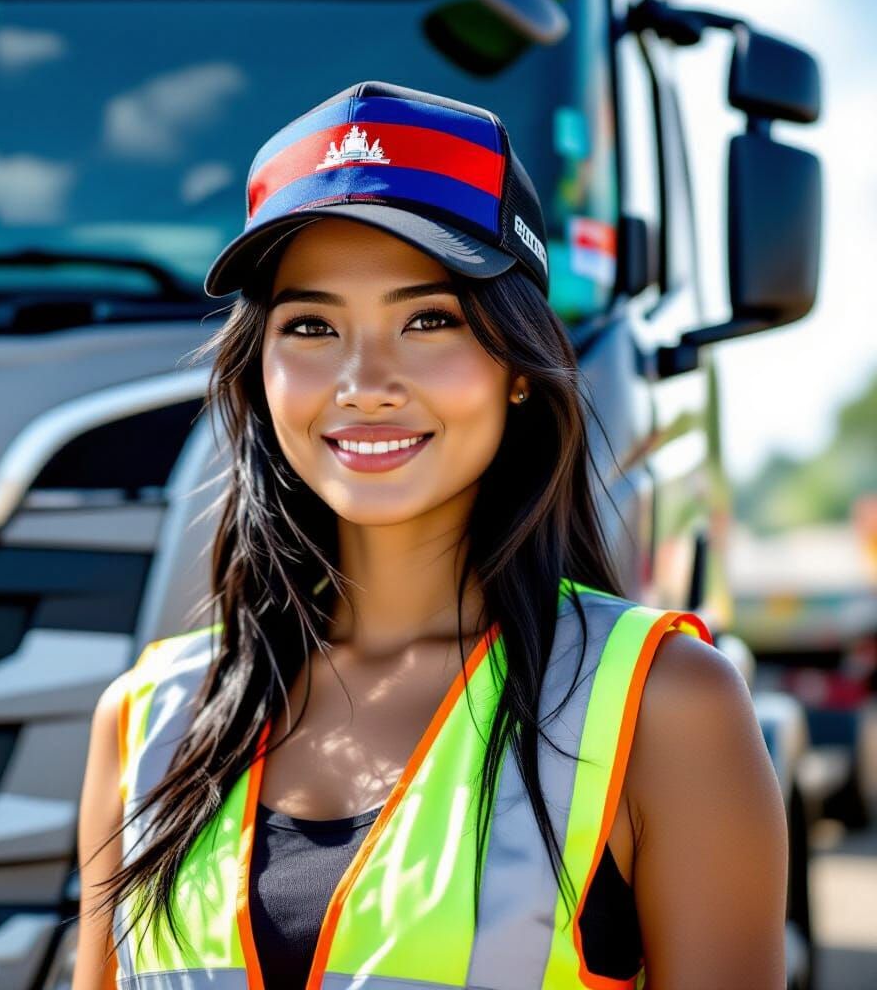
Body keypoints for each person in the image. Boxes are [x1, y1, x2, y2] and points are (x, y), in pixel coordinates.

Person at [72, 81, 787, 990]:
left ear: (518, 365)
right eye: (311, 325)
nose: (364, 382)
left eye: (428, 320)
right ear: (259, 373)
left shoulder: (668, 708)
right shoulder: (145, 720)